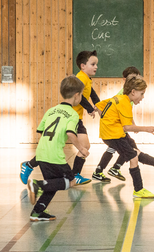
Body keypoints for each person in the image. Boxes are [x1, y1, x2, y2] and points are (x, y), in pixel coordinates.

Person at [19, 50, 100, 185]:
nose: (96, 67)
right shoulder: (80, 78)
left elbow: (92, 93)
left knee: (84, 145)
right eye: (93, 64)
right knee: (55, 147)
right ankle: (30, 165)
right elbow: (82, 97)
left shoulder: (87, 79)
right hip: (68, 116)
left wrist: (99, 105)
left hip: (76, 117)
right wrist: (90, 109)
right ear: (83, 66)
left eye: (96, 64)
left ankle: (75, 175)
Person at [95, 74, 154, 198]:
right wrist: (147, 129)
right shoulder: (124, 102)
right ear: (133, 92)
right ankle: (138, 190)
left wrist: (107, 120)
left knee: (136, 152)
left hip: (113, 133)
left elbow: (99, 105)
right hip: (113, 135)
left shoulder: (118, 98)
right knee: (133, 157)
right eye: (142, 94)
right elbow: (127, 127)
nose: (143, 97)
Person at [26, 75, 91, 221]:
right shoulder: (73, 114)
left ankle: (37, 212)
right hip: (55, 156)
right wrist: (81, 149)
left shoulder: (51, 110)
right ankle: (37, 185)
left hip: (41, 152)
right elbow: (70, 133)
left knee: (53, 184)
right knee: (71, 181)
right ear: (77, 95)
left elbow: (41, 130)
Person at [92, 66, 141, 183]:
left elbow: (126, 112)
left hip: (118, 126)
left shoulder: (128, 93)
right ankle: (113, 168)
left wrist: (132, 123)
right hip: (116, 127)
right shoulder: (124, 93)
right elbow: (105, 106)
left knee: (115, 147)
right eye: (133, 79)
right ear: (125, 80)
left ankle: (101, 171)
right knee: (129, 147)